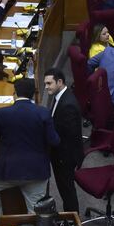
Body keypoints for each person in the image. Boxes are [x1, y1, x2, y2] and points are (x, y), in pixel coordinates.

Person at [0, 78, 60, 220]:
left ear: (15, 93)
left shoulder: (2, 113)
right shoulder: (44, 113)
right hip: (36, 172)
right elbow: (54, 141)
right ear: (33, 94)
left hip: (7, 171)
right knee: (36, 210)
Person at [43, 68, 83, 213]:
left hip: (65, 157)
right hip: (60, 153)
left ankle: (72, 219)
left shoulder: (68, 104)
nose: (46, 87)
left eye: (49, 83)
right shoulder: (61, 96)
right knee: (64, 188)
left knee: (67, 190)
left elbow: (68, 137)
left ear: (59, 82)